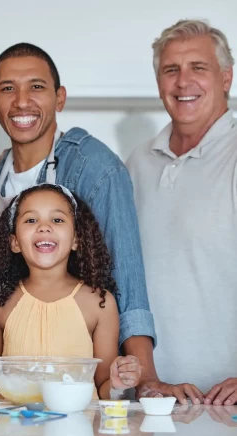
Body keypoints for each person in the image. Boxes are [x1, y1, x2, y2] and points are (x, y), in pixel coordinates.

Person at [0, 42, 158, 398]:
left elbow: (128, 278)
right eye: (7, 89)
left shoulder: (96, 167)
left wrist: (145, 377)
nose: (22, 101)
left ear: (60, 98)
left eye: (36, 87)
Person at [127, 19, 237, 405]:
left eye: (198, 68)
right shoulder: (136, 163)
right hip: (153, 399)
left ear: (226, 77)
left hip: (226, 405)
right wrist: (144, 379)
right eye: (170, 70)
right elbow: (124, 279)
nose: (182, 81)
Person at [0, 184, 141, 398]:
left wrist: (117, 384)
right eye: (31, 220)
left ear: (76, 239)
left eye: (57, 220)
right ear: (15, 242)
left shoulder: (99, 303)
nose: (44, 227)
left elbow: (103, 387)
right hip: (13, 429)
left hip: (76, 429)